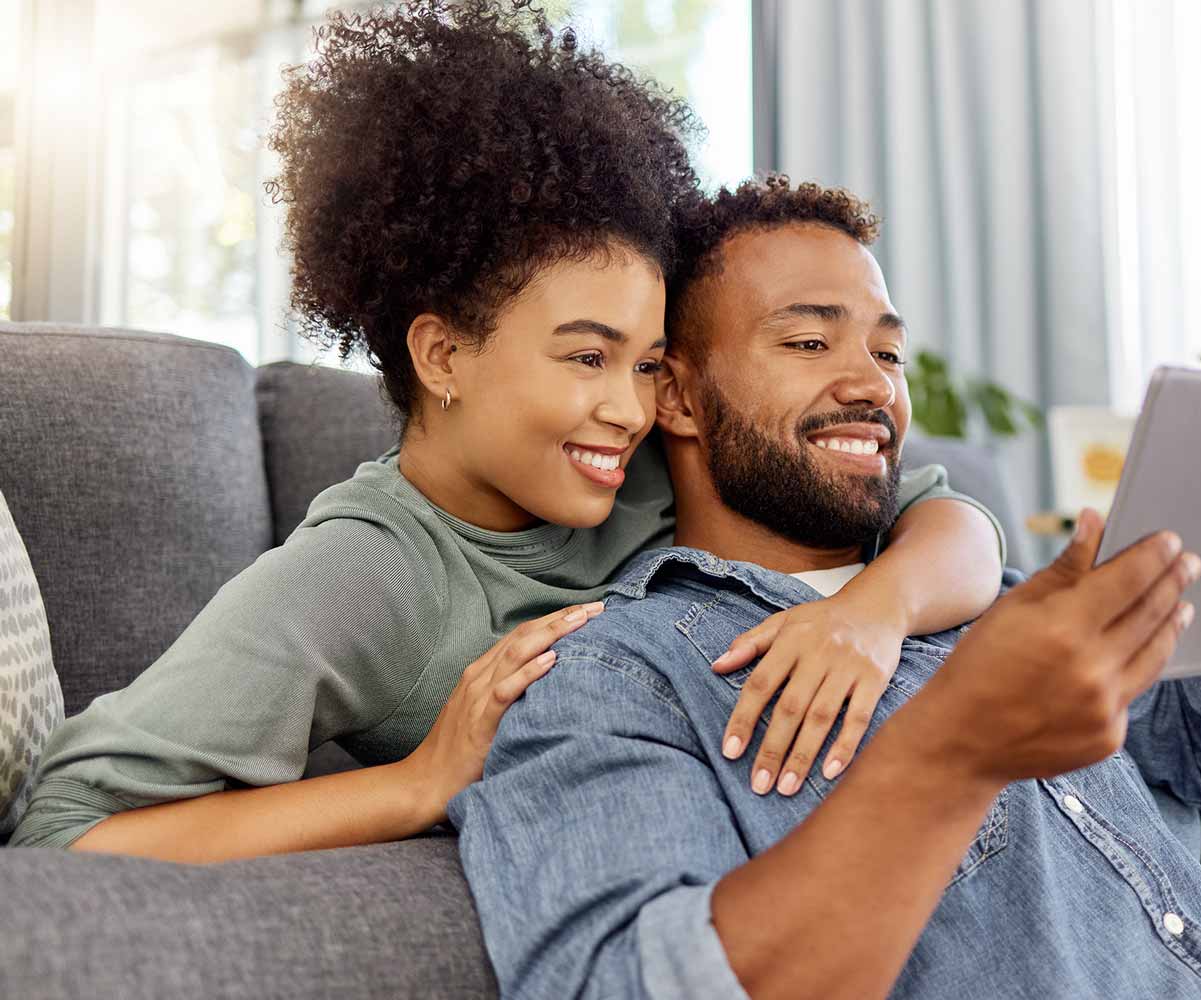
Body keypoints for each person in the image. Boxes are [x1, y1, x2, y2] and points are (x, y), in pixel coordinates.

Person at [8, 4, 1005, 860]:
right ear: (443, 356)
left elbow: (946, 519)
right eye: (585, 357)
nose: (629, 405)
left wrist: (873, 613)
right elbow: (65, 827)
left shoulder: (651, 458)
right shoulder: (364, 576)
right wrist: (417, 782)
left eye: (649, 362)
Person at [449, 176, 1201, 999]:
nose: (871, 382)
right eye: (808, 341)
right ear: (677, 398)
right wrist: (954, 751)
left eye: (889, 352)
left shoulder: (987, 597)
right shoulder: (618, 677)